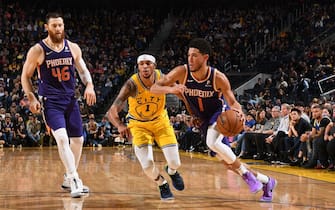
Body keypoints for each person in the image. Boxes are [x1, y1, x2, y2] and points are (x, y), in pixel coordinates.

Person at [151, 38, 277, 202]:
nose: (190, 59)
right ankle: (267, 181)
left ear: (205, 57)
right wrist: (172, 89)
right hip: (202, 119)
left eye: (195, 56)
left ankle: (247, 176)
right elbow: (154, 88)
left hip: (219, 114)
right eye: (189, 55)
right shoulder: (181, 72)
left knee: (212, 142)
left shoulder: (218, 77)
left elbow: (232, 101)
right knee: (228, 163)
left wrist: (239, 112)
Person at [21, 12, 96, 198]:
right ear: (47, 27)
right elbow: (25, 76)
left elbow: (83, 70)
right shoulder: (38, 50)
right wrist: (31, 97)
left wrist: (90, 85)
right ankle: (75, 178)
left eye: (60, 25)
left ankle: (67, 179)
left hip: (70, 100)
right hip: (51, 102)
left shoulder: (73, 47)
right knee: (62, 139)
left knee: (78, 140)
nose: (58, 29)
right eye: (54, 25)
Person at [107, 53, 184, 200]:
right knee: (147, 165)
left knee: (175, 162)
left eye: (148, 63)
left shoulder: (163, 78)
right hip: (139, 126)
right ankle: (162, 183)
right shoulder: (131, 84)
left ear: (154, 66)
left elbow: (180, 93)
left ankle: (172, 171)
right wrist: (120, 125)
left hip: (161, 122)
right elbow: (112, 111)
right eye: (141, 64)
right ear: (138, 67)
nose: (145, 66)